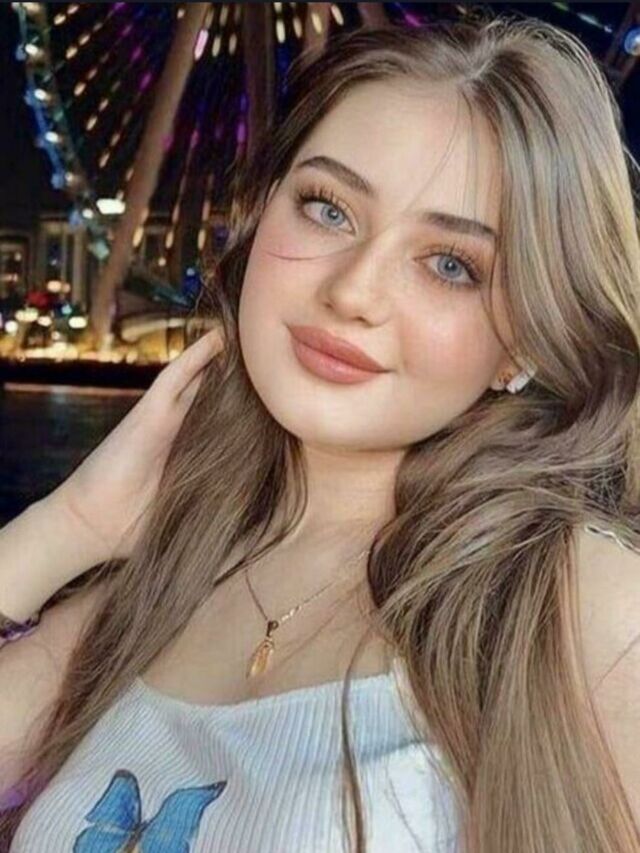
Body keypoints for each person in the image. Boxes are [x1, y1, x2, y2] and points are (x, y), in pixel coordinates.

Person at [1, 15, 640, 852]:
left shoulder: (572, 599)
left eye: (451, 264)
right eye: (328, 209)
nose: (353, 291)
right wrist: (69, 525)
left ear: (522, 340)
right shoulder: (162, 580)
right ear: (258, 214)